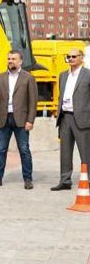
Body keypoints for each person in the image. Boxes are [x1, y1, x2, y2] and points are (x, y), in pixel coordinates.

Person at [0, 50, 38, 190]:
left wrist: (30, 120)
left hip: (21, 119)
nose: (10, 61)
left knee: (24, 150)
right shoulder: (0, 78)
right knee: (0, 150)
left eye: (13, 59)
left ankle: (27, 179)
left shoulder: (28, 78)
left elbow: (33, 102)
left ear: (20, 61)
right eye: (9, 58)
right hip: (3, 119)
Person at [52, 48, 90, 191]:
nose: (71, 59)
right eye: (69, 56)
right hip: (65, 117)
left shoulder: (87, 75)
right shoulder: (63, 75)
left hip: (82, 118)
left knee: (86, 152)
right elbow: (60, 96)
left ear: (82, 57)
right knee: (65, 152)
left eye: (74, 56)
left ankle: (88, 180)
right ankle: (65, 180)